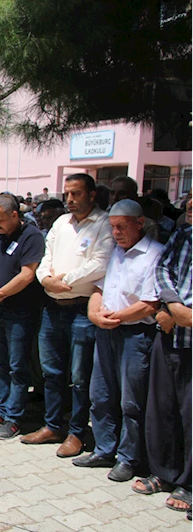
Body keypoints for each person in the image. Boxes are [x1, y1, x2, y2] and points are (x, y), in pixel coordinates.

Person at [21, 174, 114, 458]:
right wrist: (46, 279)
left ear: (92, 195)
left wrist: (66, 280)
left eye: (76, 194)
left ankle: (77, 432)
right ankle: (53, 425)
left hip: (81, 308)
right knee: (52, 373)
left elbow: (101, 263)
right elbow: (46, 256)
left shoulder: (103, 224)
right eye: (67, 194)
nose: (70, 200)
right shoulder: (61, 223)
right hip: (53, 306)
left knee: (79, 376)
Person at [73, 199, 163, 483]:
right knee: (100, 395)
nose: (117, 232)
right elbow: (99, 287)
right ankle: (104, 449)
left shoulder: (155, 254)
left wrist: (119, 317)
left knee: (131, 401)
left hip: (136, 335)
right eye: (113, 227)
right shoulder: (116, 252)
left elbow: (151, 303)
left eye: (122, 226)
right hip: (107, 330)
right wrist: (94, 312)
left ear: (140, 223)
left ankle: (128, 458)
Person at [134, 193, 191, 512]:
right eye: (191, 197)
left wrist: (187, 311)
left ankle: (189, 483)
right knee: (163, 409)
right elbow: (163, 271)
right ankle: (164, 473)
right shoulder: (182, 236)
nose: (191, 204)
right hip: (169, 333)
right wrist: (173, 305)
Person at [0, 194, 45, 439]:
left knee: (17, 366)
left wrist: (1, 293)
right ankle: (2, 409)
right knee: (0, 362)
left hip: (20, 310)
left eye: (0, 220)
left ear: (15, 215)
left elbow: (28, 274)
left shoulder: (32, 236)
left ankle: (15, 417)